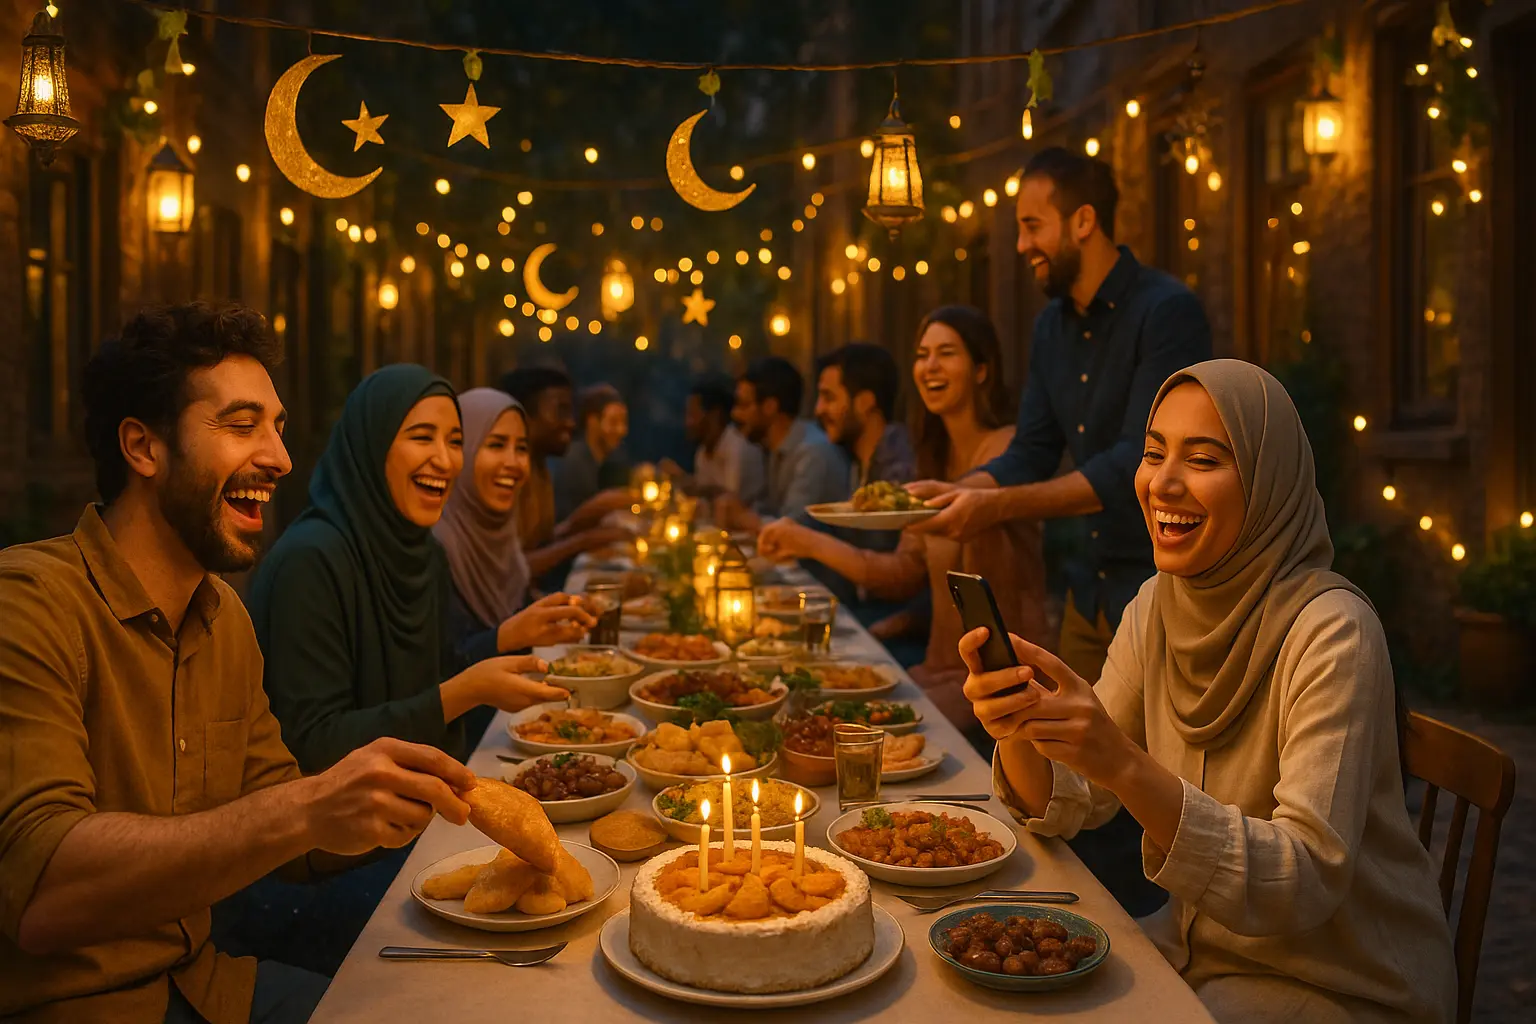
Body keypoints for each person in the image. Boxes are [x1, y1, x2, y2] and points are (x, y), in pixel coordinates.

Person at [0, 304, 478, 1023]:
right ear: (143, 447)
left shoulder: (224, 620)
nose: (281, 458)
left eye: (279, 427)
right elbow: (43, 893)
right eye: (241, 423)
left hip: (208, 985)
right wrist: (310, 807)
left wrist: (407, 806)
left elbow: (288, 823)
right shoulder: (30, 603)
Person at [962, 360, 1455, 1024]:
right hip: (1197, 954)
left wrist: (1123, 763)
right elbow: (1081, 796)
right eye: (1153, 452)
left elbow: (1303, 880)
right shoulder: (1157, 606)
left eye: (1202, 459)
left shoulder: (1333, 631)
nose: (1162, 482)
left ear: (1267, 482)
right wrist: (1018, 728)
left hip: (1343, 983)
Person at [910, 146, 1212, 685]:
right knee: (1072, 757)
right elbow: (1032, 449)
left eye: (1032, 227)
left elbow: (1134, 465)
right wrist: (957, 492)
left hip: (1162, 594)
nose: (1022, 245)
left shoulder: (1167, 313)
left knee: (1155, 766)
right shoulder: (1050, 326)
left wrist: (993, 505)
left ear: (1083, 222)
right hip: (1085, 597)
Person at [247, 364, 571, 776]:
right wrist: (461, 693)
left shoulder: (421, 551)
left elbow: (433, 675)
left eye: (456, 442)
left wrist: (506, 637)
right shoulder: (310, 560)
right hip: (341, 829)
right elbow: (313, 742)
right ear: (373, 444)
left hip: (424, 792)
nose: (445, 460)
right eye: (421, 438)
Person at [758, 308, 1050, 729]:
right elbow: (900, 573)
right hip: (941, 670)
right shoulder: (933, 459)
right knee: (805, 706)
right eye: (921, 354)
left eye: (946, 353)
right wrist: (801, 540)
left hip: (1005, 679)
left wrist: (805, 539)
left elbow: (955, 533)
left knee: (850, 728)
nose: (929, 365)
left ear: (982, 370)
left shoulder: (1008, 455)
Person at [433, 388, 597, 666]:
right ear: (461, 450)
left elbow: (515, 612)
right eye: (496, 445)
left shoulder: (498, 533)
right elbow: (438, 670)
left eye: (521, 448)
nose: (513, 463)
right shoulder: (434, 547)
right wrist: (508, 636)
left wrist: (561, 609)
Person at [497, 366, 631, 583]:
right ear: (522, 417)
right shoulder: (507, 477)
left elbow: (542, 542)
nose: (571, 423)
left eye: (571, 413)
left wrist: (583, 520)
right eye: (561, 412)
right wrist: (583, 540)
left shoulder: (539, 467)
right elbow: (513, 569)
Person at [715, 356, 849, 532]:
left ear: (770, 406)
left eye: (744, 405)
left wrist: (743, 518)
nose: (735, 414)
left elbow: (794, 530)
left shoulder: (813, 453)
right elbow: (771, 510)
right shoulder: (775, 449)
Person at [814, 342, 917, 491]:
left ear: (865, 402)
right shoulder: (860, 463)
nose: (819, 410)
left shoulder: (900, 463)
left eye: (829, 398)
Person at [660, 375, 765, 505]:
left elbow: (729, 501)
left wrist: (687, 482)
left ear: (715, 415)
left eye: (693, 414)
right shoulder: (703, 452)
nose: (688, 422)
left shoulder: (737, 447)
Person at [553, 383, 632, 524]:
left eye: (624, 423)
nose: (622, 430)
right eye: (614, 422)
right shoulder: (574, 463)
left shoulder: (609, 463)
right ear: (592, 422)